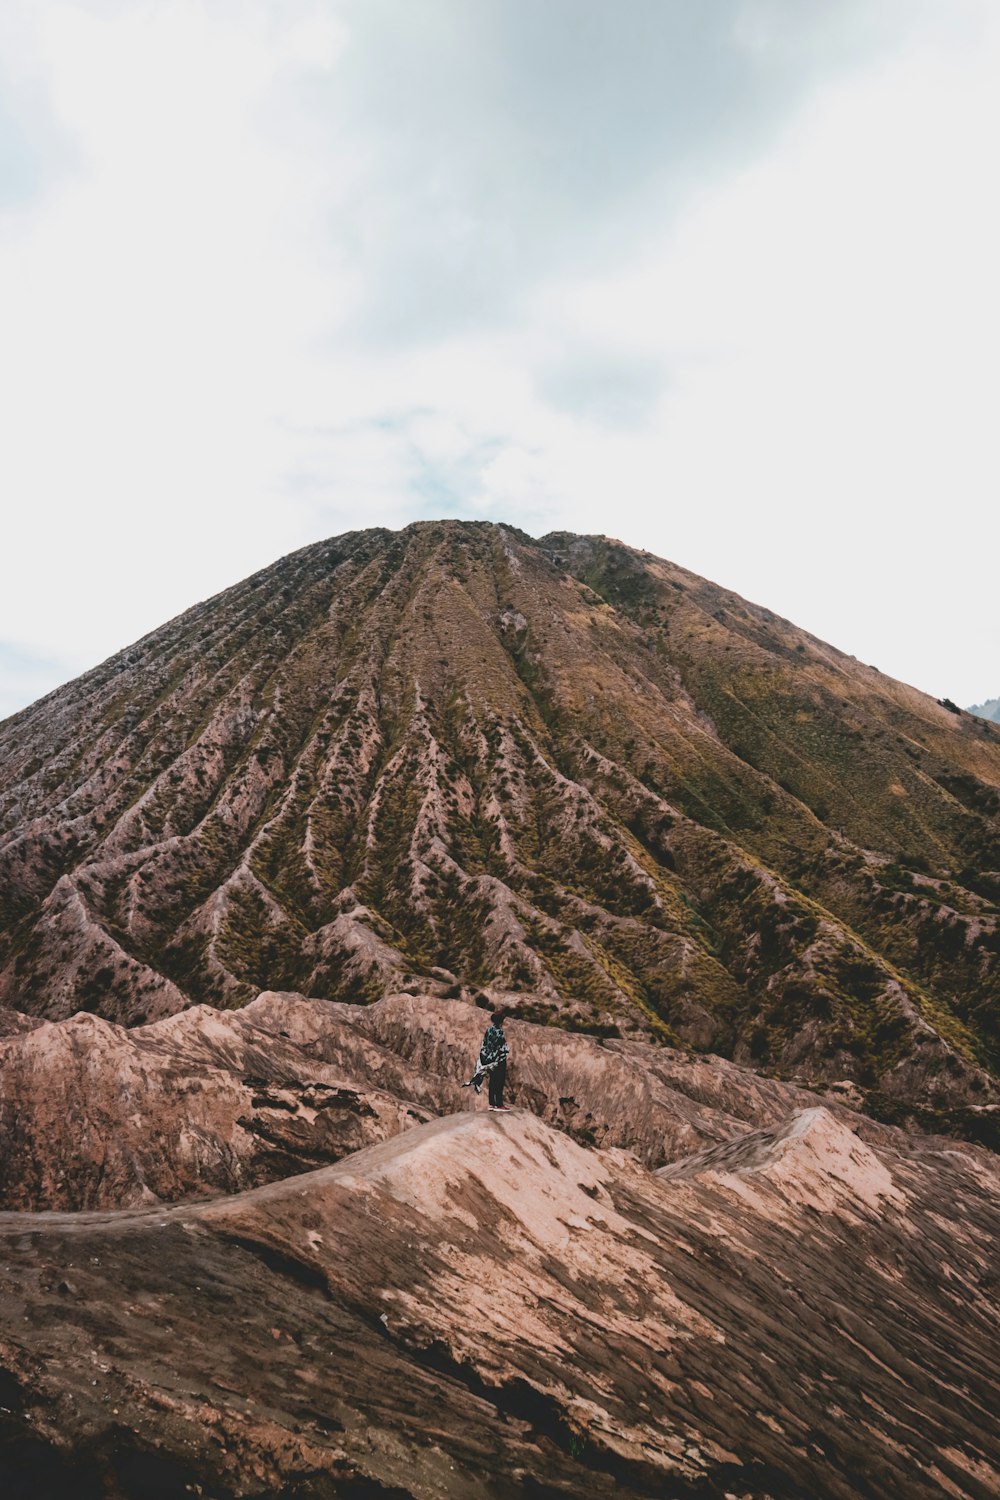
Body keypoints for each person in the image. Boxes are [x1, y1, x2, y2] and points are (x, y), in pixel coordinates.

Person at [479, 1010, 510, 1111]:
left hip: (490, 1060)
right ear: (501, 1021)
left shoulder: (489, 1030)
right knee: (500, 1081)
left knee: (492, 1081)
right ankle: (499, 1104)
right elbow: (502, 1047)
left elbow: (484, 1044)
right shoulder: (499, 1032)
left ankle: (491, 1103)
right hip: (499, 1060)